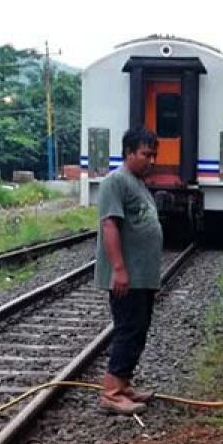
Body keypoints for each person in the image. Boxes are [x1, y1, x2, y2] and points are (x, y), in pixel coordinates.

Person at [94, 126, 164, 415]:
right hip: (129, 276)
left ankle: (122, 384)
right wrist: (119, 269)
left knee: (138, 330)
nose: (152, 160)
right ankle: (110, 393)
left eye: (153, 155)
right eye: (146, 154)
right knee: (128, 330)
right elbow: (110, 224)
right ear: (129, 153)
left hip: (142, 276)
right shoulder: (116, 181)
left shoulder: (138, 182)